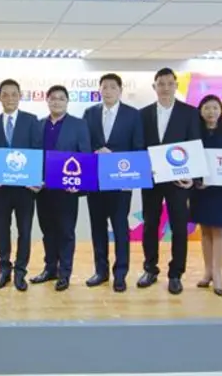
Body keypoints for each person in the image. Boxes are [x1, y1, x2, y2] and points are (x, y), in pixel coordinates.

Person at [138, 68, 201, 295]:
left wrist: (192, 177)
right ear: (154, 87)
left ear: (176, 86)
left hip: (178, 180)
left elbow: (195, 144)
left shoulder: (190, 113)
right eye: (161, 84)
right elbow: (138, 146)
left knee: (179, 227)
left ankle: (176, 274)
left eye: (169, 83)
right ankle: (150, 269)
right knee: (150, 225)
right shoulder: (143, 114)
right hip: (151, 178)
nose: (165, 88)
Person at [82, 73, 144, 293]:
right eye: (104, 87)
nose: (108, 91)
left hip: (121, 181)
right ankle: (101, 271)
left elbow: (138, 147)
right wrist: (94, 152)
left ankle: (120, 273)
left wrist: (114, 156)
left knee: (120, 228)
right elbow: (83, 144)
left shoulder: (132, 115)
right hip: (96, 181)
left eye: (112, 87)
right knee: (97, 227)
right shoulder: (89, 113)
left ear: (120, 90)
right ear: (99, 90)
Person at [30, 85, 91, 292]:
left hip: (67, 190)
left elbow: (85, 155)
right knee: (47, 231)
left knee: (66, 232)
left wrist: (80, 185)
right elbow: (33, 155)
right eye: (53, 98)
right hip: (42, 189)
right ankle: (50, 269)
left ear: (67, 102)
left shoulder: (79, 125)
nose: (57, 101)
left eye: (61, 98)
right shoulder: (38, 125)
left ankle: (64, 273)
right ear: (47, 101)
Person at [0, 79, 42, 292]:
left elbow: (37, 150)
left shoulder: (31, 120)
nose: (9, 98)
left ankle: (20, 271)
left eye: (14, 94)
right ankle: (4, 269)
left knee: (24, 230)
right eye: (5, 94)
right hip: (2, 189)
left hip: (25, 189)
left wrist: (36, 178)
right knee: (2, 229)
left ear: (20, 96)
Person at [189, 95, 222, 297]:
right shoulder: (194, 132)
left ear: (221, 110)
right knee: (205, 232)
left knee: (219, 231)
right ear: (200, 111)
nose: (211, 112)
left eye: (215, 108)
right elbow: (189, 158)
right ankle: (208, 271)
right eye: (207, 108)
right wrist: (195, 180)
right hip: (200, 189)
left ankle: (218, 274)